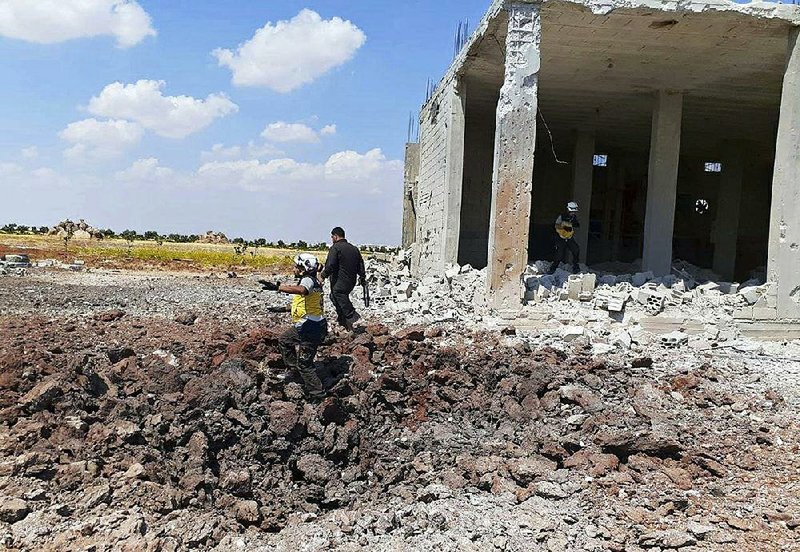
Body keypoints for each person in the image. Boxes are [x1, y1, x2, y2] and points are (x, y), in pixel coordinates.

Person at [260, 253, 327, 400]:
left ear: (303, 268)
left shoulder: (308, 280)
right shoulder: (313, 281)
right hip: (309, 324)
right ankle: (294, 370)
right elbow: (305, 303)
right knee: (284, 340)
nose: (294, 269)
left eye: (296, 266)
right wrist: (283, 309)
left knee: (305, 364)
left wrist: (278, 287)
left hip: (311, 328)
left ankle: (319, 396)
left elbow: (303, 290)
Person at [320, 227, 366, 332]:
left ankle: (353, 317)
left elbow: (331, 264)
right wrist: (362, 278)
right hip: (351, 281)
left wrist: (323, 275)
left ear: (335, 236)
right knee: (334, 297)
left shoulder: (335, 248)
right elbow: (360, 265)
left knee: (338, 294)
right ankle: (343, 321)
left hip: (340, 281)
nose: (331, 239)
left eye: (332, 237)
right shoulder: (354, 248)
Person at [548, 201, 581, 274]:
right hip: (560, 238)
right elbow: (556, 225)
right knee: (559, 255)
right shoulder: (562, 216)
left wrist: (572, 224)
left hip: (569, 238)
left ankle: (575, 266)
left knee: (576, 250)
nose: (573, 213)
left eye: (574, 211)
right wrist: (566, 225)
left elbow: (577, 225)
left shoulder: (573, 217)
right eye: (572, 211)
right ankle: (553, 269)